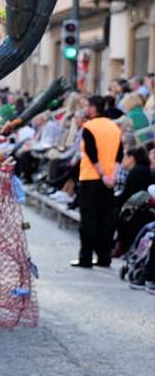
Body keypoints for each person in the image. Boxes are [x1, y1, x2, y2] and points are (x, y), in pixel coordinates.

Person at [72, 95, 124, 268]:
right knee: (105, 219)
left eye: (87, 105)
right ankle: (104, 257)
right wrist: (112, 176)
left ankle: (85, 257)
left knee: (88, 219)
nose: (86, 109)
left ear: (93, 108)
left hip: (91, 178)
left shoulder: (89, 127)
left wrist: (102, 174)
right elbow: (119, 155)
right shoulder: (114, 127)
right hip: (108, 180)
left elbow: (91, 153)